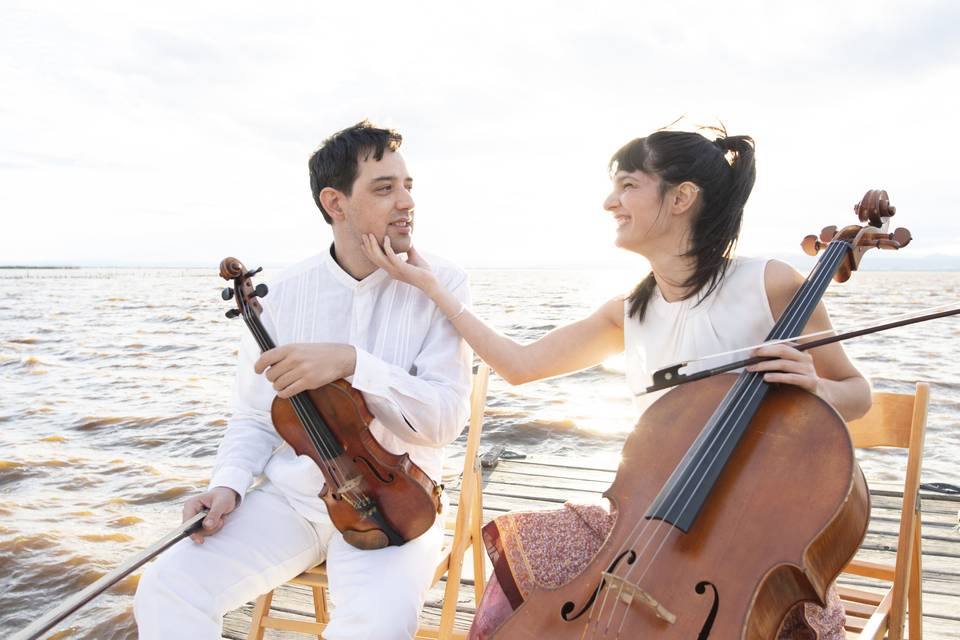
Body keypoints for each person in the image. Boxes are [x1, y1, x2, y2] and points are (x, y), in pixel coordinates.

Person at [361, 128, 872, 639]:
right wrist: (432, 288)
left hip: (753, 541)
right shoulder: (631, 312)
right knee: (528, 553)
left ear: (682, 198)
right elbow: (518, 365)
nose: (610, 202)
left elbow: (856, 392)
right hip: (652, 525)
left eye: (628, 185)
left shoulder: (770, 283)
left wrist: (818, 390)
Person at [133, 120, 474, 640]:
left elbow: (444, 422)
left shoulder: (441, 283)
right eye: (384, 188)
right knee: (167, 587)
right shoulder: (284, 294)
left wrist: (354, 362)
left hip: (397, 507)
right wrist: (226, 485)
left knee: (375, 627)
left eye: (408, 186)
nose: (405, 201)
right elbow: (252, 416)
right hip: (292, 500)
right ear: (335, 203)